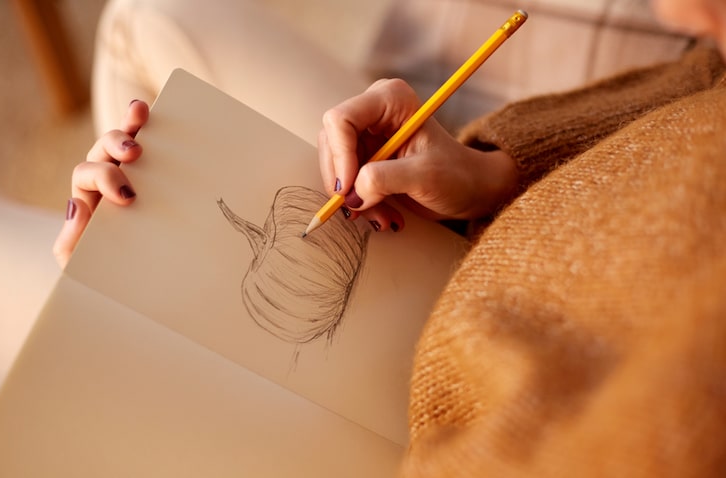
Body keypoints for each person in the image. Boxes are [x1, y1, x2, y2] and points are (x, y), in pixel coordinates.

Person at [54, 0, 726, 476]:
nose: (683, 23)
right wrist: (491, 173)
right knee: (144, 18)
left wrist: (136, 351)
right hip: (443, 244)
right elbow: (698, 85)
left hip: (391, 426)